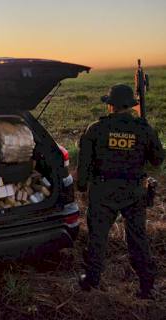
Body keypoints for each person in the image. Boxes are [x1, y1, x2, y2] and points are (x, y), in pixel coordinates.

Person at [77, 84, 164, 299]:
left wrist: (81, 187)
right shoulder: (143, 128)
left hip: (103, 191)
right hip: (133, 191)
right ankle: (147, 286)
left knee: (97, 237)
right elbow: (158, 160)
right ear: (132, 106)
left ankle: (91, 280)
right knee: (138, 239)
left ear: (110, 106)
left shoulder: (95, 129)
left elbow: (84, 164)